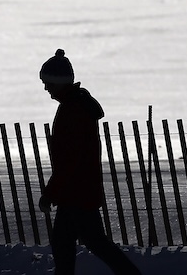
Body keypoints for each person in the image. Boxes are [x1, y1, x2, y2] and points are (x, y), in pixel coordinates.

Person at [37, 48, 142, 275]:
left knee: (90, 242)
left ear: (61, 82)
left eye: (49, 84)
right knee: (68, 243)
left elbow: (70, 159)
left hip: (77, 192)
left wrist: (50, 192)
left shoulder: (73, 110)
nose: (46, 88)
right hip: (77, 191)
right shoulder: (75, 106)